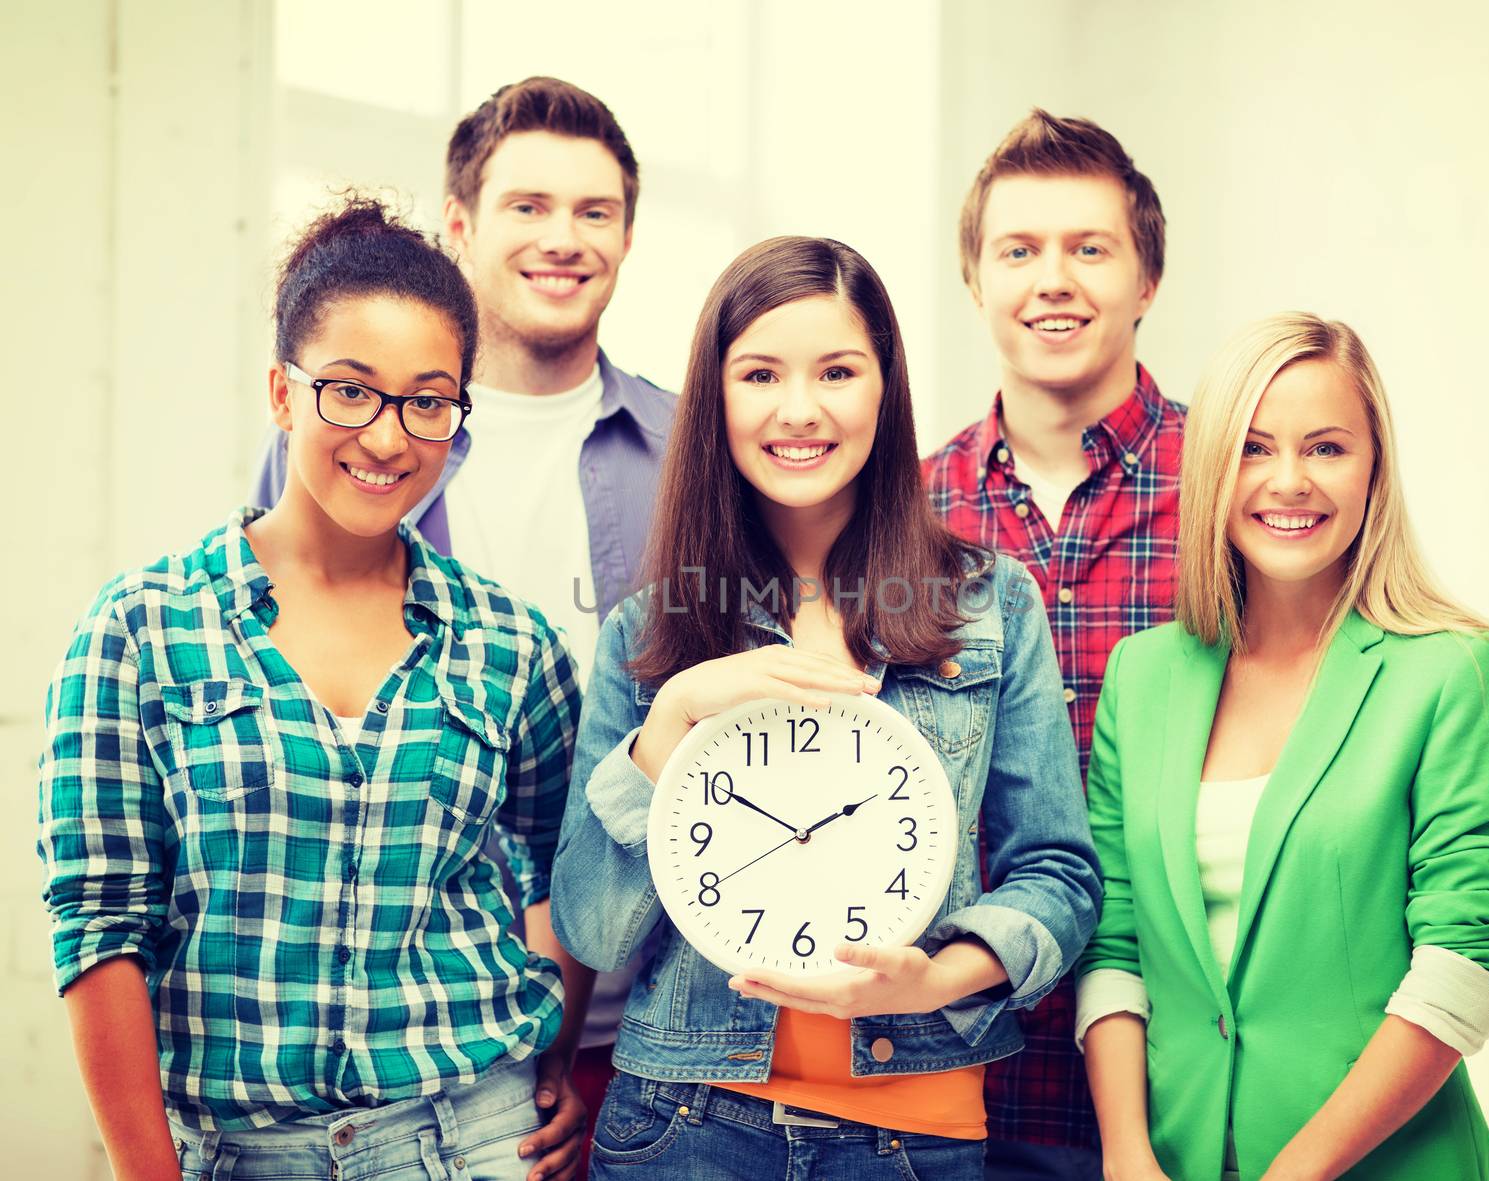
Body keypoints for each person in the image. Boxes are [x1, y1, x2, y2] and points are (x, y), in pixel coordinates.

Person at [40, 196, 584, 1181]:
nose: (387, 437)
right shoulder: (139, 628)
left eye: (429, 399)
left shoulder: (510, 642)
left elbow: (565, 868)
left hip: (473, 1137)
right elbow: (98, 927)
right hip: (233, 1151)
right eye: (349, 390)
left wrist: (555, 1057)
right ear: (282, 394)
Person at [549, 235, 1103, 1180]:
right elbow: (593, 930)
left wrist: (939, 977)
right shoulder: (651, 630)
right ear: (715, 395)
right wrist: (672, 716)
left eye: (837, 371)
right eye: (760, 373)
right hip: (684, 1126)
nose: (799, 410)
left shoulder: (989, 603)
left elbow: (1058, 874)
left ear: (884, 389)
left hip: (915, 1134)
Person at [253, 76, 677, 1157]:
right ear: (459, 225)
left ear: (627, 235)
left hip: (661, 1022)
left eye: (595, 211)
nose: (563, 239)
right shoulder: (350, 443)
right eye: (527, 205)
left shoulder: (690, 451)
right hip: (418, 1039)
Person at [1077, 312, 1489, 1180]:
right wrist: (1128, 1152)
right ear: (1211, 469)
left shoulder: (1454, 671)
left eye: (1326, 448)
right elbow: (1115, 946)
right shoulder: (1141, 677)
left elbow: (1462, 964)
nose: (1289, 481)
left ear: (1375, 468)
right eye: (1253, 447)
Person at [921, 109, 1184, 1180]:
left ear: (1146, 279)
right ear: (976, 282)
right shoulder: (904, 511)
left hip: (1184, 1065)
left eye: (1089, 248)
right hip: (958, 1071)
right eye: (1018, 251)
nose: (1053, 280)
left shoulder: (1236, 494)